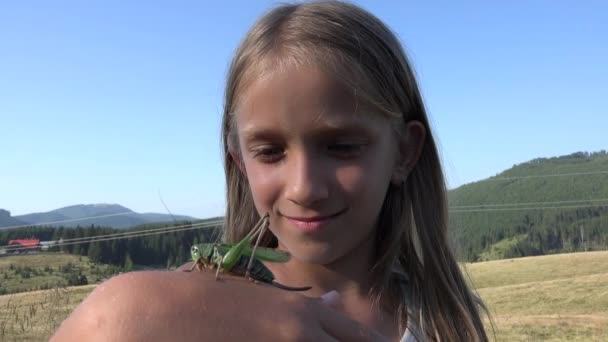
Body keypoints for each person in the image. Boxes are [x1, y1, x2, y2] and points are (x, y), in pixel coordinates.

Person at [51, 1, 489, 341]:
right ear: (239, 160)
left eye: (341, 147)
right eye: (270, 151)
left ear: (404, 153)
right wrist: (115, 315)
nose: (304, 187)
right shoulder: (195, 308)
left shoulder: (444, 320)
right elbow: (109, 323)